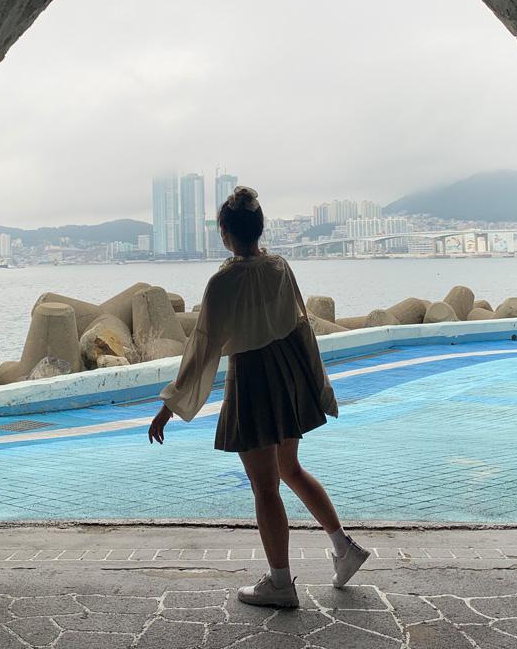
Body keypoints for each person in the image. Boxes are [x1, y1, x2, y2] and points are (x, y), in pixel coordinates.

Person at [148, 185, 370, 608]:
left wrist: (168, 408)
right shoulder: (280, 267)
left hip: (252, 380)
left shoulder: (223, 283)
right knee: (290, 468)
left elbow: (203, 349)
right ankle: (344, 548)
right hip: (288, 374)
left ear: (224, 231)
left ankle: (281, 583)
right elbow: (301, 324)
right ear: (259, 227)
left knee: (265, 487)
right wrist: (318, 385)